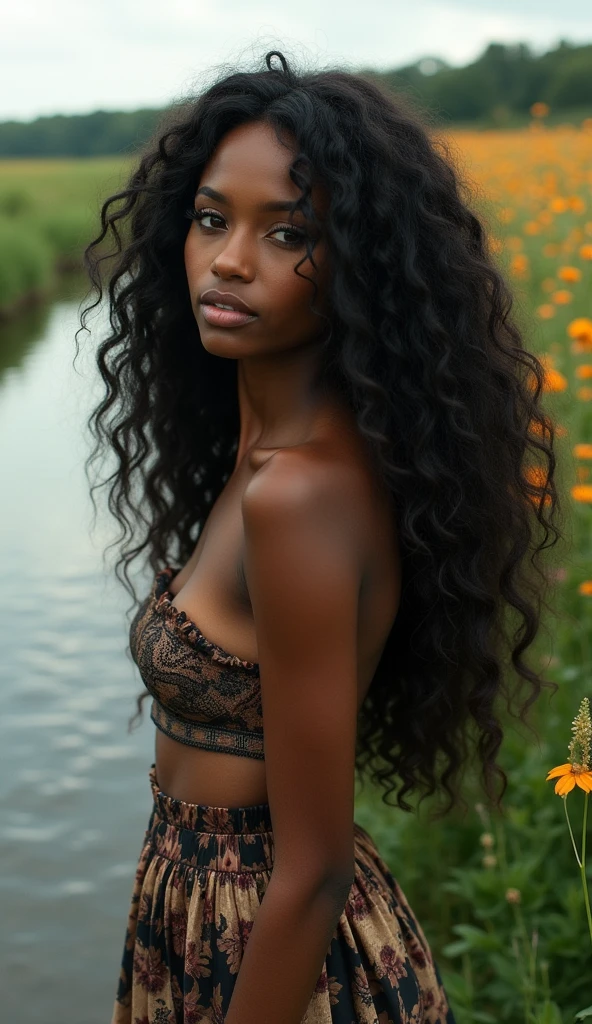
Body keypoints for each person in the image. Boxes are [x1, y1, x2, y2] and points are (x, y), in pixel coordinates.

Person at [79, 50, 560, 1024]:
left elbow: (313, 865)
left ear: (358, 265)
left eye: (286, 231)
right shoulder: (270, 457)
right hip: (211, 920)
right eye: (212, 218)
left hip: (270, 946)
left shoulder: (295, 496)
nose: (229, 260)